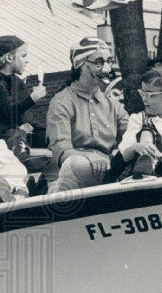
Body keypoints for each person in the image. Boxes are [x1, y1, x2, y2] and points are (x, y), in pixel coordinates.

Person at [46, 37, 129, 192]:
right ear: (81, 64)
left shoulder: (113, 105)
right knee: (78, 164)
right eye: (99, 62)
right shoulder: (61, 102)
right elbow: (61, 151)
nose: (106, 69)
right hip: (73, 172)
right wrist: (89, 158)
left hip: (107, 170)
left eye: (109, 61)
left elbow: (131, 136)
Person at [0, 35, 48, 151]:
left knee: (48, 135)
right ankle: (23, 155)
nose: (27, 60)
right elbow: (11, 111)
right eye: (23, 56)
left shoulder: (17, 82)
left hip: (15, 132)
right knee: (16, 136)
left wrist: (31, 126)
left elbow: (23, 114)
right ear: (9, 58)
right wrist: (33, 98)